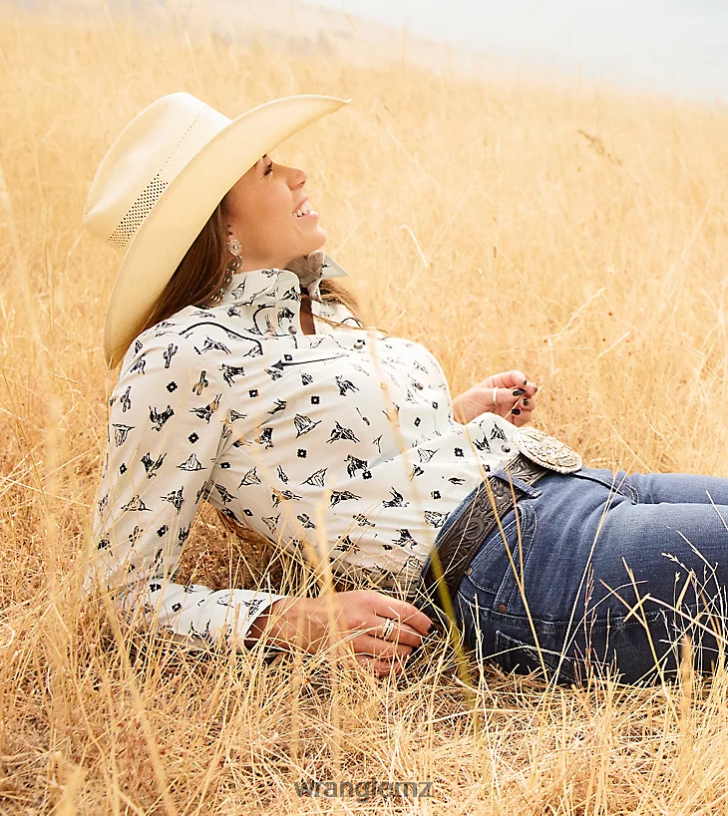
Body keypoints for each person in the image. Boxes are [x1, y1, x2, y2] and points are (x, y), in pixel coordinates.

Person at [84, 90, 728, 686]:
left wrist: (457, 417)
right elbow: (121, 588)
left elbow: (342, 465)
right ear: (218, 223)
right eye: (267, 170)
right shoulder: (178, 353)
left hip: (571, 486)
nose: (298, 174)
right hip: (517, 562)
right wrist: (295, 619)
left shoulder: (316, 310)